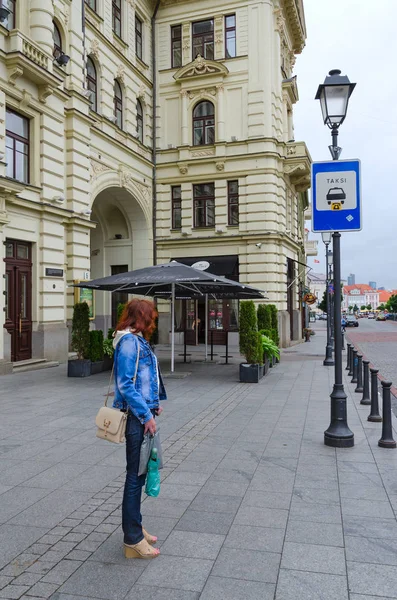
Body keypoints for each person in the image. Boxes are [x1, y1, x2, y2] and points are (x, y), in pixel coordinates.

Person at [113, 299, 167, 559]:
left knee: (140, 474)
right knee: (134, 477)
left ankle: (135, 526)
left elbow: (145, 376)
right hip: (136, 418)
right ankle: (132, 538)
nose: (152, 320)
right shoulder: (129, 342)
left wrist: (154, 404)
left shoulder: (138, 340)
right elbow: (125, 383)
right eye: (150, 316)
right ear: (141, 316)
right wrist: (146, 414)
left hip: (143, 413)